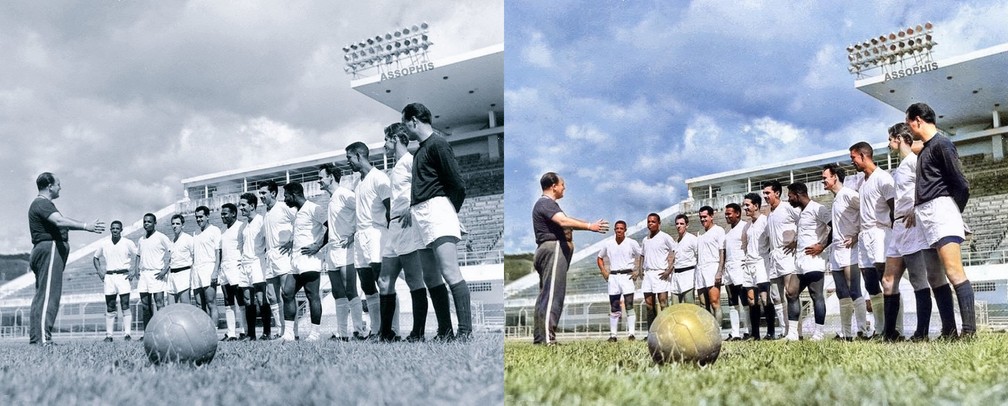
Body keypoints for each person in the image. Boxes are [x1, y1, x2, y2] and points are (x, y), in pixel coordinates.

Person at [401, 102, 474, 340]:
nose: (404, 129)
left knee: (450, 272)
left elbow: (458, 184)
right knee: (430, 276)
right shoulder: (419, 150)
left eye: (405, 123)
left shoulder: (438, 144)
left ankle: (465, 332)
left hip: (436, 209)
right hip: (420, 214)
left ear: (413, 121)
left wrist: (451, 212)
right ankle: (445, 330)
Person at [906, 103, 975, 338]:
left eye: (909, 124)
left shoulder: (943, 144)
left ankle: (969, 332)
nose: (909, 129)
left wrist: (954, 211)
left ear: (917, 120)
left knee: (954, 272)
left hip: (941, 210)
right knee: (934, 276)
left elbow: (961, 184)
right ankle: (949, 330)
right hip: (925, 215)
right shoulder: (925, 149)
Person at [883, 123, 955, 341]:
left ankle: (922, 332)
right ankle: (889, 333)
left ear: (898, 138)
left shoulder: (916, 161)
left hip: (914, 227)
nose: (888, 143)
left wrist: (916, 208)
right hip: (898, 227)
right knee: (888, 280)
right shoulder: (900, 166)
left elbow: (931, 186)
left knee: (919, 279)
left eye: (890, 139)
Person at [27, 172, 106, 345]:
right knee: (49, 296)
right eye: (58, 184)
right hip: (50, 248)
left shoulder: (41, 204)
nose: (60, 187)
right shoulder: (43, 203)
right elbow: (60, 222)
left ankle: (38, 338)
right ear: (50, 186)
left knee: (42, 295)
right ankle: (43, 339)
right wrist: (87, 226)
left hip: (46, 249)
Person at [531, 172, 608, 345]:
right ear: (553, 186)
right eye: (562, 184)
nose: (564, 187)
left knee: (546, 295)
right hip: (554, 248)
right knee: (552, 295)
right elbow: (564, 222)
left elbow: (566, 222)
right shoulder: (546, 203)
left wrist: (588, 226)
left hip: (550, 249)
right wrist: (590, 226)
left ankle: (541, 338)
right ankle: (547, 339)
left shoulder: (547, 205)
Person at [377, 123, 430, 342]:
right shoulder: (395, 167)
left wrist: (412, 206)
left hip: (408, 225)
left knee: (413, 279)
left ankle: (418, 333)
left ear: (396, 139)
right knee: (384, 280)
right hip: (393, 226)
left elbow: (425, 186)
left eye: (386, 140)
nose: (384, 144)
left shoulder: (411, 161)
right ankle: (386, 333)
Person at [850, 141, 898, 338]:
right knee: (870, 283)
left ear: (863, 156)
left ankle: (896, 328)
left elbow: (894, 207)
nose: (852, 162)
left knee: (886, 281)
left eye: (853, 157)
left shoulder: (883, 177)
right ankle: (879, 328)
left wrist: (896, 237)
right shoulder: (862, 182)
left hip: (880, 232)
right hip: (864, 235)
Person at [345, 141, 392, 339]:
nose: (348, 163)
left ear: (358, 156)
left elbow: (390, 208)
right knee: (366, 284)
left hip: (376, 233)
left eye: (349, 158)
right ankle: (375, 329)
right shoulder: (358, 183)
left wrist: (391, 237)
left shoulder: (379, 177)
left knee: (383, 282)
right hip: (360, 234)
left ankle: (392, 329)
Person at [317, 164, 368, 341]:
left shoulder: (345, 194)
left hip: (346, 248)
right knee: (338, 292)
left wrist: (353, 235)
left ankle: (360, 331)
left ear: (331, 177)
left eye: (321, 177)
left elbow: (363, 210)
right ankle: (342, 333)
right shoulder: (332, 199)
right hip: (332, 250)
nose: (319, 180)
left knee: (350, 290)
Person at [822, 164, 869, 340]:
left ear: (835, 177)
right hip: (836, 250)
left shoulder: (849, 194)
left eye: (825, 177)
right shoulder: (836, 199)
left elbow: (867, 210)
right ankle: (847, 334)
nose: (823, 180)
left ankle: (864, 331)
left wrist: (857, 235)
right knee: (841, 293)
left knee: (855, 290)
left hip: (851, 249)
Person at [280, 182, 328, 342]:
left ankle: (315, 334)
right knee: (287, 293)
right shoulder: (298, 212)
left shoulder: (314, 208)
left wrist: (318, 245)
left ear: (294, 195)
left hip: (310, 259)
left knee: (311, 295)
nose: (285, 200)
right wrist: (291, 243)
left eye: (286, 196)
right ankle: (288, 334)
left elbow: (330, 227)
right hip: (296, 260)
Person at [783, 183, 831, 341]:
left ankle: (819, 333)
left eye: (790, 196)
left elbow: (834, 227)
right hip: (800, 261)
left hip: (814, 260)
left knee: (816, 295)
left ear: (797, 194)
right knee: (791, 293)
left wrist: (822, 245)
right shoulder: (801, 213)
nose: (789, 199)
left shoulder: (818, 208)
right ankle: (793, 334)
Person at [258, 181, 299, 339]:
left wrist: (292, 240)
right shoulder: (266, 212)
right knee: (272, 296)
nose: (261, 196)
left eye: (263, 193)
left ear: (273, 193)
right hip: (270, 256)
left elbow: (299, 220)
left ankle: (293, 332)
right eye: (260, 194)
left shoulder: (283, 207)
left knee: (287, 293)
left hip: (283, 255)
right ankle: (281, 331)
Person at [762, 180, 800, 339]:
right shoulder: (770, 214)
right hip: (774, 256)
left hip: (787, 255)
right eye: (764, 193)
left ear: (777, 193)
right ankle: (785, 331)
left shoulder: (788, 207)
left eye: (767, 193)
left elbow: (804, 221)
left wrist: (796, 241)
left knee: (791, 293)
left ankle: (797, 332)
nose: (765, 196)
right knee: (776, 296)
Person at [596, 220, 641, 342]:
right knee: (614, 305)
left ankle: (631, 334)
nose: (619, 230)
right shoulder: (608, 243)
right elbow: (599, 258)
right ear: (614, 230)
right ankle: (613, 335)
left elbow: (642, 255)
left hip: (627, 275)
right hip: (614, 276)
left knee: (629, 304)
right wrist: (604, 271)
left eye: (621, 228)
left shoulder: (631, 243)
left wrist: (638, 271)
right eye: (617, 228)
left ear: (625, 230)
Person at [93, 220, 135, 342]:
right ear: (110, 230)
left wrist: (134, 271)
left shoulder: (128, 243)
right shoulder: (104, 243)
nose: (115, 230)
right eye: (113, 228)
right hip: (110, 276)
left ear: (121, 230)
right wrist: (100, 272)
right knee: (110, 306)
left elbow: (139, 255)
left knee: (125, 304)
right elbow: (95, 258)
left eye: (117, 228)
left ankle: (127, 334)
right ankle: (109, 335)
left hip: (123, 276)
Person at [132, 213, 172, 338]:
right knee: (145, 305)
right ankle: (148, 334)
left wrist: (165, 270)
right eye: (145, 222)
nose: (146, 224)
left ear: (155, 223)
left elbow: (173, 252)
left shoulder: (161, 237)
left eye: (149, 222)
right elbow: (138, 255)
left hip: (156, 273)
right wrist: (136, 269)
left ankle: (163, 332)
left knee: (159, 304)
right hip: (144, 274)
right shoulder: (141, 239)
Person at [238, 192, 271, 340]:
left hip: (258, 262)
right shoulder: (244, 225)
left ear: (252, 206)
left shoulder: (261, 221)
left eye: (243, 205)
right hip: (245, 264)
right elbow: (241, 245)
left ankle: (266, 332)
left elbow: (267, 242)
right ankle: (251, 334)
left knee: (260, 298)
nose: (241, 208)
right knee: (247, 299)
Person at [741, 193, 771, 340]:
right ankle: (755, 334)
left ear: (756, 206)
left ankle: (771, 332)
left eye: (747, 205)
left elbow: (771, 241)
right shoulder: (747, 225)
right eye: (744, 205)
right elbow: (745, 245)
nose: (745, 207)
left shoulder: (765, 221)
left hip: (762, 262)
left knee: (765, 298)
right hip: (749, 264)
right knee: (751, 299)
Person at [640, 213, 677, 333]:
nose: (650, 224)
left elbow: (677, 251)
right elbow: (642, 254)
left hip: (661, 274)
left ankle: (666, 331)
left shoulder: (665, 237)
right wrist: (640, 268)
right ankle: (652, 332)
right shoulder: (645, 240)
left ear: (659, 223)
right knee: (649, 305)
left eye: (653, 222)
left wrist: (669, 270)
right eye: (648, 222)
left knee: (663, 303)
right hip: (648, 274)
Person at [218, 203, 245, 341]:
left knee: (241, 300)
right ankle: (231, 333)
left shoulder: (241, 226)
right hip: (224, 268)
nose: (222, 216)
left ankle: (244, 331)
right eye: (222, 214)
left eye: (225, 213)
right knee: (228, 301)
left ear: (234, 213)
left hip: (236, 267)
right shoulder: (222, 230)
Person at [190, 205, 221, 330]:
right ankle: (203, 331)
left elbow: (218, 252)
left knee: (210, 302)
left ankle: (214, 330)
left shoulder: (215, 230)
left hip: (209, 268)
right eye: (197, 217)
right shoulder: (195, 233)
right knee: (199, 304)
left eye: (201, 217)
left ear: (207, 216)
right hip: (196, 269)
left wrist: (215, 271)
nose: (199, 219)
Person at [722, 203, 749, 340]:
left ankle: (747, 331)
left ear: (738, 213)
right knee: (732, 302)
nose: (727, 216)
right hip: (729, 268)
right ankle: (735, 333)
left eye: (729, 213)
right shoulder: (727, 230)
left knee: (745, 300)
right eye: (726, 214)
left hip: (741, 267)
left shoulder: (745, 226)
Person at [696, 206, 725, 326]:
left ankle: (718, 331)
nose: (703, 219)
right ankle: (707, 331)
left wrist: (719, 271)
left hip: (712, 268)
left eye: (705, 217)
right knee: (703, 304)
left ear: (711, 216)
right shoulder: (700, 233)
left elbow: (722, 252)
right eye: (701, 217)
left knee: (714, 302)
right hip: (700, 269)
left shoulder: (719, 230)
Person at [662, 214, 697, 305]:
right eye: (677, 224)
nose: (679, 226)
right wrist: (669, 270)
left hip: (688, 274)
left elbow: (699, 256)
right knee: (675, 305)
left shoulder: (692, 239)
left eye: (682, 223)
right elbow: (676, 259)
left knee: (689, 305)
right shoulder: (676, 241)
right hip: (676, 275)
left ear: (687, 225)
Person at [166, 214, 194, 305]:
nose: (175, 226)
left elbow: (195, 257)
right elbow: (171, 259)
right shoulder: (172, 241)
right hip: (171, 275)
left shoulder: (188, 239)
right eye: (173, 224)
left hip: (184, 273)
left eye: (177, 223)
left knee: (185, 305)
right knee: (171, 306)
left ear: (183, 225)